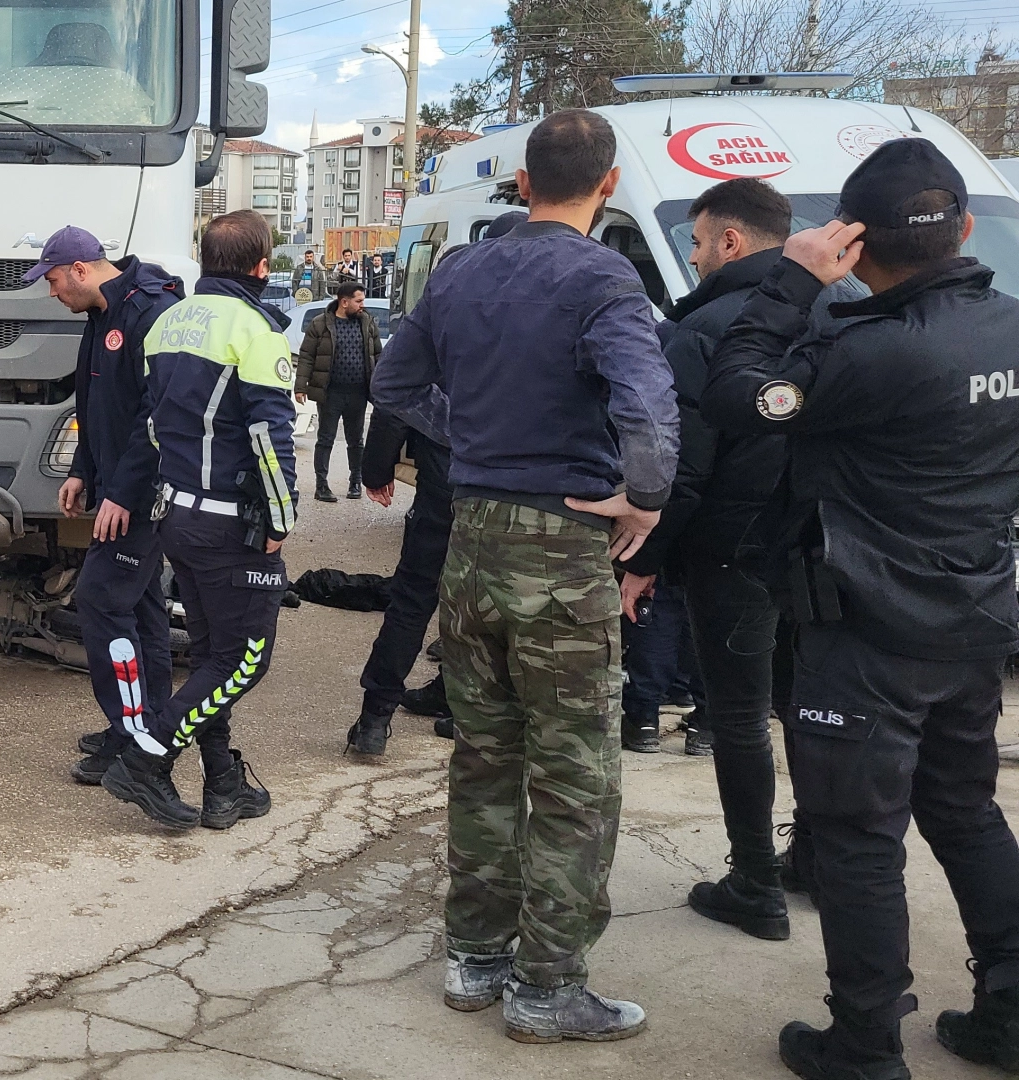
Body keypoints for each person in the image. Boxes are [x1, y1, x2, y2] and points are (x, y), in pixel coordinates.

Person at [699, 138, 1019, 1079]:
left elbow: (736, 393)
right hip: (972, 618)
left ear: (851, 238)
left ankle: (866, 1043)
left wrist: (792, 283)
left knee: (855, 838)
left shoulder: (869, 351)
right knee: (966, 810)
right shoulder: (1010, 328)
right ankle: (1010, 1009)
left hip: (868, 631)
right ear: (963, 225)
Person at [373, 109, 678, 1042]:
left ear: (523, 180)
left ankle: (475, 958)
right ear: (608, 182)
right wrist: (644, 498)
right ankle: (546, 985)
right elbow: (650, 416)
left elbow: (393, 384)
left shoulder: (462, 271)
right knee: (575, 769)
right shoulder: (603, 276)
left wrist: (471, 439)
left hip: (471, 538)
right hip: (560, 541)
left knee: (487, 752)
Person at [617, 177, 855, 942]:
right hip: (828, 552)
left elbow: (683, 464)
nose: (691, 256)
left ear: (730, 241)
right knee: (815, 712)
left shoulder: (708, 326)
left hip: (736, 554)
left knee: (741, 718)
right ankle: (814, 861)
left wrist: (645, 557)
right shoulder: (849, 313)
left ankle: (754, 879)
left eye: (694, 240)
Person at [101, 209, 297, 831]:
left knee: (212, 655)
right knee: (242, 661)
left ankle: (223, 785)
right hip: (229, 524)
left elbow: (155, 425)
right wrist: (281, 519)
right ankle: (147, 758)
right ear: (261, 267)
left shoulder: (167, 323)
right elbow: (271, 434)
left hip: (176, 516)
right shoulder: (256, 329)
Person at [347, 210, 527, 756]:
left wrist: (379, 468)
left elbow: (394, 394)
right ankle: (469, 711)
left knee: (414, 598)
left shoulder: (448, 309)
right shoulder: (547, 312)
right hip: (516, 486)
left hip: (448, 481)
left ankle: (376, 718)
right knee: (499, 605)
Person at [26, 225, 184, 784]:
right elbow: (96, 403)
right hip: (117, 486)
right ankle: (151, 725)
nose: (51, 293)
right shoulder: (100, 315)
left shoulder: (149, 311)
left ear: (81, 269)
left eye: (51, 281)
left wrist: (122, 492)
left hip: (144, 493)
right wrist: (81, 471)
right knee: (140, 611)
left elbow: (156, 414)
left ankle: (132, 737)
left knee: (99, 601)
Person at [296, 280, 382, 502]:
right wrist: (300, 386)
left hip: (359, 392)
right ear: (344, 302)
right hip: (331, 392)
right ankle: (321, 485)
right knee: (325, 439)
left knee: (356, 440)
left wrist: (382, 386)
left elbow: (379, 356)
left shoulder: (368, 323)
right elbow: (306, 356)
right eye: (358, 301)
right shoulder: (320, 324)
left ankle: (356, 481)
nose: (362, 305)